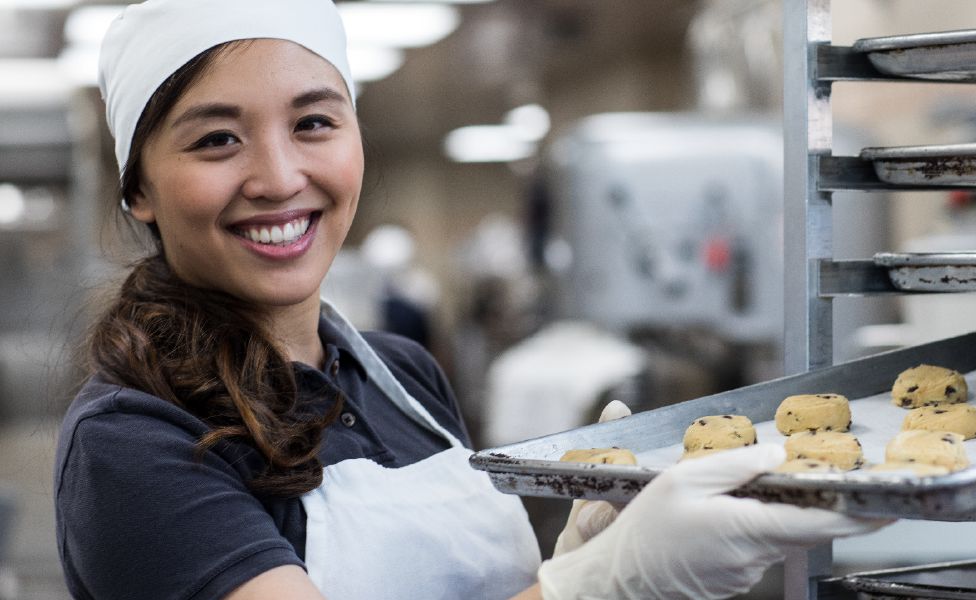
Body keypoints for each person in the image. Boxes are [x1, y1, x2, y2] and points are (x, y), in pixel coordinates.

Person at [53, 1, 889, 599]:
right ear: (140, 193)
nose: (278, 178)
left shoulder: (401, 376)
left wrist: (574, 557)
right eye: (217, 139)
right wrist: (600, 586)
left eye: (313, 123)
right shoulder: (133, 441)